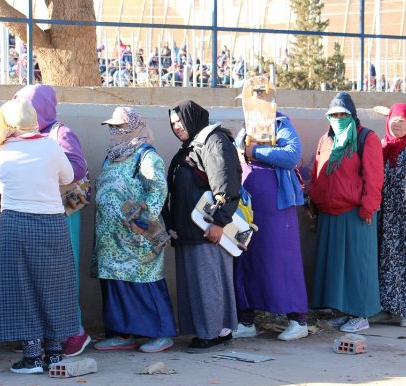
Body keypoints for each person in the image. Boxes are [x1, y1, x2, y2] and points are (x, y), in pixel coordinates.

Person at [0, 99, 77, 374]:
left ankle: (32, 355)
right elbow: (68, 176)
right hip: (52, 224)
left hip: (16, 224)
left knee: (20, 288)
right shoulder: (50, 145)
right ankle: (56, 352)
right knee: (55, 288)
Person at [13, 84, 91, 357]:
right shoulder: (26, 133)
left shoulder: (61, 133)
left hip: (62, 213)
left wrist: (46, 168)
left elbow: (77, 168)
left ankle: (74, 331)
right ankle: (49, 332)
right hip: (38, 212)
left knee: (62, 274)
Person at [91, 107, 177, 353]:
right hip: (110, 236)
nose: (115, 131)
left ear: (134, 127)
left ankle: (162, 333)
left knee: (143, 282)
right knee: (115, 283)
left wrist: (142, 220)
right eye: (113, 127)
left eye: (120, 126)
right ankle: (121, 333)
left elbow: (158, 189)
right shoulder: (112, 155)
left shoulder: (146, 155)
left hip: (136, 236)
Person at [165, 100, 241, 353]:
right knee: (197, 284)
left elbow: (226, 182)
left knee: (209, 282)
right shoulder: (192, 146)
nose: (176, 127)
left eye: (180, 121)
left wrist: (219, 222)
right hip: (190, 230)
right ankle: (207, 330)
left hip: (208, 230)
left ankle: (214, 332)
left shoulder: (214, 141)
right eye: (173, 123)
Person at [308, 92, 384, 333]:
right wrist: (314, 202)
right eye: (334, 115)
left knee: (357, 264)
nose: (338, 118)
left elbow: (374, 177)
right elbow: (317, 172)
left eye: (343, 114)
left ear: (353, 116)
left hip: (356, 212)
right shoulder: (326, 139)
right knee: (335, 266)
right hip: (329, 211)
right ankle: (342, 311)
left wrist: (368, 206)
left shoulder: (366, 138)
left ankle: (361, 314)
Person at [233, 110, 308, 341]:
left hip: (276, 205)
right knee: (247, 258)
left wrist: (254, 151)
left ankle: (298, 319)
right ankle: (246, 320)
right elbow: (237, 152)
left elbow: (292, 154)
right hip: (248, 202)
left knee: (281, 259)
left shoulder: (280, 123)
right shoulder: (246, 125)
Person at [375, 103, 406, 327]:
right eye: (394, 121)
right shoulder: (383, 147)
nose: (398, 125)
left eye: (402, 121)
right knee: (387, 261)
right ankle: (390, 309)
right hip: (387, 216)